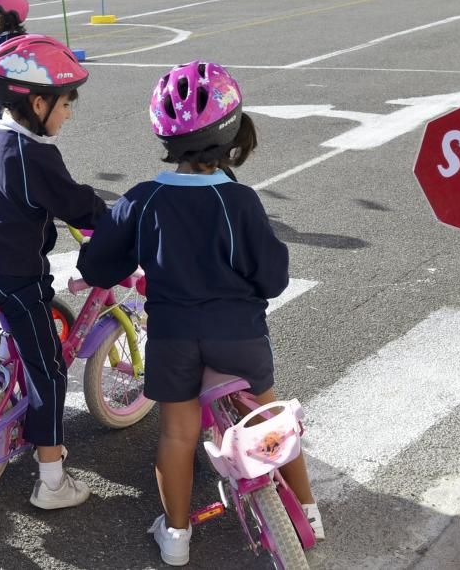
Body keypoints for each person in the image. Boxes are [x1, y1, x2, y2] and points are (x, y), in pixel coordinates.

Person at [77, 61, 324, 566]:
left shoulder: (144, 201)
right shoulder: (240, 202)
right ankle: (309, 510)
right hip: (239, 334)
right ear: (232, 134)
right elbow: (273, 279)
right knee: (269, 419)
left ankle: (176, 537)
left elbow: (99, 263)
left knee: (177, 434)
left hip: (173, 338)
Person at [0, 34, 106, 509]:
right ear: (38, 102)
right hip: (16, 278)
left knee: (22, 341)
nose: (69, 113)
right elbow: (77, 204)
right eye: (65, 103)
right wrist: (115, 222)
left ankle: (2, 368)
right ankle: (51, 478)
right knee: (51, 370)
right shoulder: (35, 156)